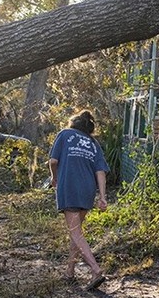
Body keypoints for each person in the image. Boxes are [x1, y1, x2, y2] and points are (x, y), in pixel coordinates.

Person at [49, 110, 109, 291]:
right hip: (87, 190)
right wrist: (103, 197)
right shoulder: (93, 143)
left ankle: (95, 269)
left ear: (73, 123)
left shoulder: (65, 134)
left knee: (75, 232)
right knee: (77, 231)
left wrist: (54, 178)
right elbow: (101, 172)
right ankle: (70, 271)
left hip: (69, 186)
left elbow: (52, 160)